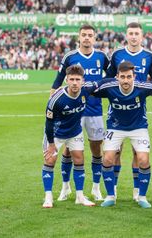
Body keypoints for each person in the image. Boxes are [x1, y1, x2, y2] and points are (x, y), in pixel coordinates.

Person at [51, 24, 110, 202]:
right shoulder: (70, 56)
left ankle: (96, 187)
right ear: (79, 37)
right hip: (73, 112)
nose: (86, 38)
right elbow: (58, 80)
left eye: (89, 35)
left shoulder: (101, 56)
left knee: (96, 149)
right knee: (69, 150)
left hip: (95, 110)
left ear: (94, 38)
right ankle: (65, 186)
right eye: (83, 35)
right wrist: (54, 99)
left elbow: (112, 76)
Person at [92, 61, 152, 208]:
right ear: (117, 77)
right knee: (107, 158)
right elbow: (89, 89)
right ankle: (110, 196)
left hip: (138, 127)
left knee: (143, 160)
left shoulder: (143, 87)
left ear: (134, 77)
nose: (126, 80)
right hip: (115, 128)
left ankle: (142, 196)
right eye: (122, 77)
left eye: (129, 77)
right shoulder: (110, 88)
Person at [108, 22, 152, 202]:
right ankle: (112, 189)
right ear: (126, 35)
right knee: (115, 152)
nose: (133, 36)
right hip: (116, 110)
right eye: (130, 33)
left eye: (136, 33)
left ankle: (138, 192)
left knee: (139, 153)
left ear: (142, 36)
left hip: (138, 111)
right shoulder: (116, 54)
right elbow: (108, 79)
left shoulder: (149, 56)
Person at [42, 65, 98, 208]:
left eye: (77, 79)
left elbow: (102, 83)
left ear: (82, 80)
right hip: (55, 134)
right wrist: (51, 143)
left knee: (79, 159)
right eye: (71, 79)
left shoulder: (86, 90)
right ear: (66, 80)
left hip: (74, 132)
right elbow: (48, 123)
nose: (74, 82)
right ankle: (48, 197)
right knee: (50, 160)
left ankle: (80, 196)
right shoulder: (56, 99)